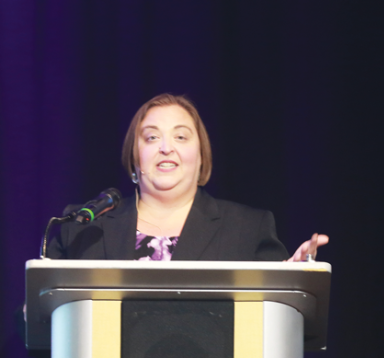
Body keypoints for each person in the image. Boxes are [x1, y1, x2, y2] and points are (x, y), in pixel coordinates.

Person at [48, 94, 328, 261]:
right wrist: (35, 308)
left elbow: (277, 325)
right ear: (135, 157)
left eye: (180, 136)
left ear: (201, 155)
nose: (166, 147)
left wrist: (289, 284)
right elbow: (33, 326)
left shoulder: (247, 228)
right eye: (151, 137)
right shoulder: (82, 227)